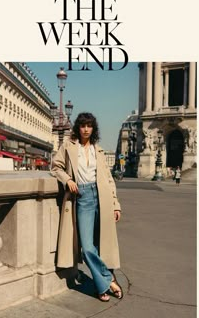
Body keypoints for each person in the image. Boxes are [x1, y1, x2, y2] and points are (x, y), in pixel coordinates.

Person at [52, 112, 122, 302]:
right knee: (87, 246)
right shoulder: (68, 146)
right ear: (78, 127)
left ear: (93, 129)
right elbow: (55, 166)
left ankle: (102, 286)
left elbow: (108, 179)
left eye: (89, 126)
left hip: (102, 196)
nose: (86, 129)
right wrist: (67, 179)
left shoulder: (97, 150)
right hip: (82, 196)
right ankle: (108, 281)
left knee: (102, 242)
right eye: (83, 126)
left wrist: (115, 205)